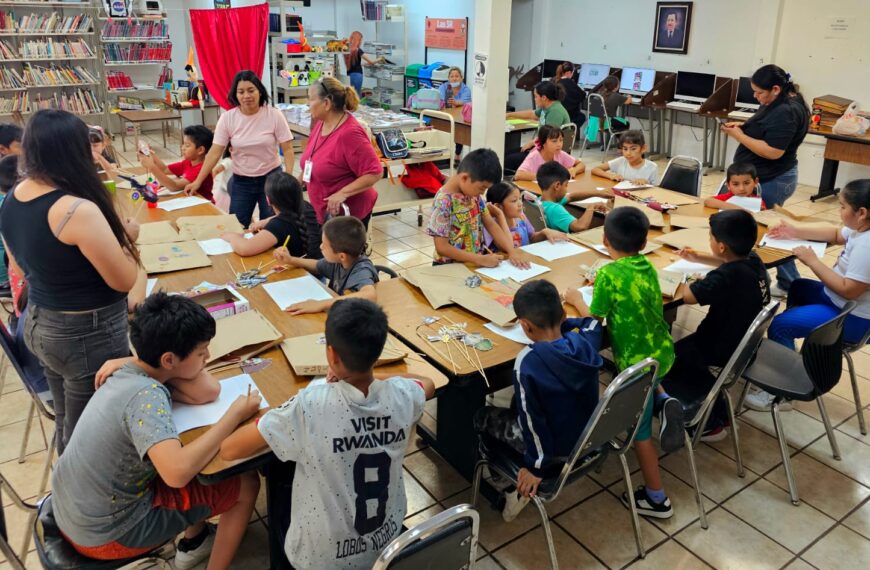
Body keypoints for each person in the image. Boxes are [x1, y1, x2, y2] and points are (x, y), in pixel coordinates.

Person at [220, 298, 435, 570]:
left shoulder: (310, 405)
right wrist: (369, 374)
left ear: (331, 355)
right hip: (386, 544)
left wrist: (240, 413)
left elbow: (229, 450)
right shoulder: (402, 395)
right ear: (378, 352)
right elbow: (426, 384)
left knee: (280, 482)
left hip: (321, 558)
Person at [50, 293, 260, 569]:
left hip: (76, 510)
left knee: (198, 460)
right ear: (169, 360)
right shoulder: (147, 396)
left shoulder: (131, 371)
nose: (208, 357)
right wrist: (233, 416)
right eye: (201, 352)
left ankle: (194, 541)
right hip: (109, 534)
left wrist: (180, 361)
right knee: (246, 483)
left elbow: (207, 392)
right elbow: (176, 474)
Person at [1, 110, 141, 454]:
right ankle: (68, 502)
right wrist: (126, 239)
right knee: (87, 437)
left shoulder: (15, 196)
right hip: (85, 334)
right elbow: (124, 279)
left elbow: (18, 267)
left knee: (68, 420)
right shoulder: (74, 209)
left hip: (41, 321)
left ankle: (64, 487)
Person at [564, 206, 679, 519]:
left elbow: (594, 318)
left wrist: (576, 298)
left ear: (604, 239)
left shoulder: (608, 274)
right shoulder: (647, 266)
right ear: (644, 244)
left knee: (640, 437)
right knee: (655, 373)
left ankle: (657, 499)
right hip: (663, 353)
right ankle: (663, 398)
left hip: (637, 370)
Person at [474, 280, 603, 520]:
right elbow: (594, 324)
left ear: (525, 325)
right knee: (517, 401)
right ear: (563, 314)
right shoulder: (583, 344)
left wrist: (536, 467)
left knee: (482, 416)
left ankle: (507, 483)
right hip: (587, 435)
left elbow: (533, 422)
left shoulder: (528, 362)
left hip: (554, 450)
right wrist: (565, 324)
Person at [745, 179, 870, 411]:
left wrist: (812, 261)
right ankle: (792, 353)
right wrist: (793, 230)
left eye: (842, 207)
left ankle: (780, 395)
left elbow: (848, 289)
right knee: (799, 287)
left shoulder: (867, 246)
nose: (839, 210)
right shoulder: (860, 227)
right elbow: (834, 233)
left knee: (780, 326)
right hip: (838, 300)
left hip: (852, 317)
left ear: (861, 212)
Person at [662, 210, 771, 439]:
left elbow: (690, 296)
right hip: (744, 344)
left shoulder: (725, 277)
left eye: (710, 238)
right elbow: (725, 263)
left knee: (668, 360)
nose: (709, 241)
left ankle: (709, 422)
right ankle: (721, 412)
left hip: (718, 347)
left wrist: (683, 279)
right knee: (681, 355)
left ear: (721, 246)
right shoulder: (753, 260)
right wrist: (697, 258)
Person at [721, 64, 810, 298]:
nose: (756, 96)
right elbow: (764, 127)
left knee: (769, 232)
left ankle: (790, 283)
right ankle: (787, 282)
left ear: (776, 89)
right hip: (767, 175)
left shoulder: (787, 111)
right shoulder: (779, 102)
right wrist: (744, 127)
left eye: (759, 92)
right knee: (768, 230)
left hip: (773, 178)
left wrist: (739, 135)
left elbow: (773, 151)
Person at [185, 70, 295, 227]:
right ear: (235, 94)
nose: (246, 96)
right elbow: (215, 152)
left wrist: (288, 178)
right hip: (242, 180)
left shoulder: (274, 115)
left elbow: (288, 148)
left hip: (271, 177)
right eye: (241, 92)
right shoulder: (228, 118)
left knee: (271, 225)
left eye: (251, 90)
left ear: (259, 91)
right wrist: (198, 181)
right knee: (237, 225)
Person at [299, 77, 383, 227]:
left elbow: (375, 172)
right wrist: (296, 183)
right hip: (323, 210)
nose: (307, 104)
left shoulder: (349, 134)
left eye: (311, 99)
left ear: (326, 103)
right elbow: (313, 158)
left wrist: (342, 193)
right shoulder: (321, 123)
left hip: (347, 216)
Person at [426, 148, 517, 267]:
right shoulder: (443, 201)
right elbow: (442, 247)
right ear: (464, 178)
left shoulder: (473, 195)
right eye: (482, 188)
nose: (482, 193)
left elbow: (490, 224)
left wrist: (512, 252)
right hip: (449, 267)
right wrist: (479, 259)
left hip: (473, 263)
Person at [273, 216, 377, 315]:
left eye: (324, 244)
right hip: (341, 312)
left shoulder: (361, 270)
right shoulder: (340, 261)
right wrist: (291, 260)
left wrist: (320, 304)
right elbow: (316, 265)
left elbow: (370, 295)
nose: (320, 246)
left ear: (341, 256)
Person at [222, 171, 321, 259]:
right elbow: (289, 217)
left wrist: (232, 237)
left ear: (268, 200)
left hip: (300, 273)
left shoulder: (278, 225)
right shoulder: (305, 206)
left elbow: (244, 248)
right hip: (316, 267)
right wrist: (266, 221)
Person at [504, 82, 571, 171]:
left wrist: (532, 143)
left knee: (507, 160)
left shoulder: (555, 111)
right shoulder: (546, 107)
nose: (535, 99)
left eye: (536, 96)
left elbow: (550, 136)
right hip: (541, 146)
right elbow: (532, 114)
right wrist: (510, 115)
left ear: (544, 98)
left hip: (547, 152)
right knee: (505, 154)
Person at [140, 125, 214, 202]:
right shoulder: (187, 162)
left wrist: (152, 167)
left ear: (200, 150)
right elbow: (164, 169)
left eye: (187, 145)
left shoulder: (201, 169)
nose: (183, 148)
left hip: (204, 207)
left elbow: (174, 186)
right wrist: (151, 153)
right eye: (183, 144)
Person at [485, 181, 566, 249]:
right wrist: (500, 215)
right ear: (498, 207)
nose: (520, 204)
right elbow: (508, 248)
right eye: (514, 201)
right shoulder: (492, 225)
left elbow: (532, 238)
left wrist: (544, 232)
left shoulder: (521, 217)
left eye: (520, 198)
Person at [537, 161, 606, 233]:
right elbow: (580, 227)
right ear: (557, 186)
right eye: (566, 185)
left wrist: (597, 193)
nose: (566, 190)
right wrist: (591, 208)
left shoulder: (540, 201)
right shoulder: (555, 209)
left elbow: (571, 197)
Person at [514, 125, 585, 182]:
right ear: (543, 143)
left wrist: (574, 170)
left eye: (561, 140)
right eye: (554, 141)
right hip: (535, 196)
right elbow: (518, 175)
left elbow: (581, 164)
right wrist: (546, 177)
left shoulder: (560, 154)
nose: (559, 144)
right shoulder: (534, 156)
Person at [591, 130, 658, 185]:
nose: (628, 153)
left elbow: (658, 189)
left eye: (633, 149)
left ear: (643, 148)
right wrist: (611, 176)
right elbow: (595, 169)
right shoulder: (620, 161)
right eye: (625, 149)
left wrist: (646, 183)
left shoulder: (652, 167)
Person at [438, 66, 472, 162]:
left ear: (461, 78)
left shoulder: (466, 89)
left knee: (459, 129)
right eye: (452, 76)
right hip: (444, 114)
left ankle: (457, 154)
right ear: (448, 78)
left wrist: (457, 102)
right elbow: (439, 100)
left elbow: (467, 102)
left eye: (457, 76)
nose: (454, 78)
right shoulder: (444, 87)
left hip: (459, 116)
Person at [344, 31, 377, 97]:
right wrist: (381, 59)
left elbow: (352, 64)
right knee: (356, 96)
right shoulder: (358, 50)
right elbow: (371, 62)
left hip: (349, 75)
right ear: (357, 40)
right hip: (357, 75)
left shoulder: (347, 49)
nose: (361, 42)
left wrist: (362, 64)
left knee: (351, 96)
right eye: (360, 40)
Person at [553, 61, 585, 128]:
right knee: (582, 117)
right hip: (568, 115)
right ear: (569, 73)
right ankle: (569, 130)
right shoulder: (570, 83)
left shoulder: (555, 81)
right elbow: (582, 95)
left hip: (557, 113)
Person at [211, 145, 233, 212]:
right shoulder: (228, 161)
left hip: (236, 193)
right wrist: (210, 183)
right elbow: (215, 170)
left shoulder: (241, 162)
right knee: (222, 212)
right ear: (231, 149)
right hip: (225, 194)